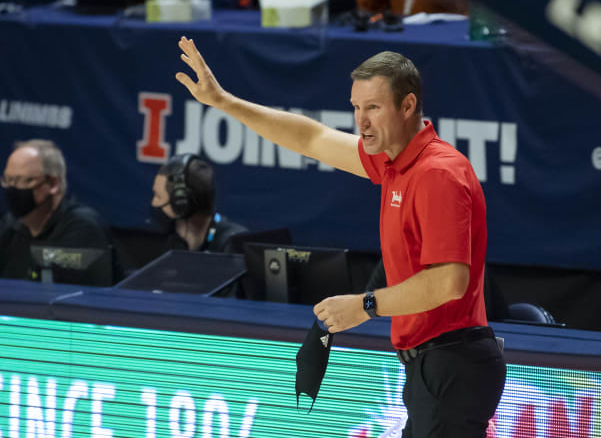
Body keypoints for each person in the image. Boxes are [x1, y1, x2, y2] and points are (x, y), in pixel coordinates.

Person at [175, 37, 505, 437]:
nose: (360, 121)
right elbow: (310, 139)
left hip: (453, 364)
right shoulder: (394, 163)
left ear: (408, 106)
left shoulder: (437, 173)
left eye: (373, 108)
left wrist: (364, 306)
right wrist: (225, 101)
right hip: (434, 368)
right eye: (356, 108)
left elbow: (449, 282)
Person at [0, 140, 117, 285]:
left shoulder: (83, 228)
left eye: (22, 180)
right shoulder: (9, 225)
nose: (12, 188)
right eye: (8, 180)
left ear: (53, 184)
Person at [150, 153, 247, 253]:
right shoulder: (166, 236)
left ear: (181, 201)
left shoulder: (230, 242)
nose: (154, 203)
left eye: (159, 196)